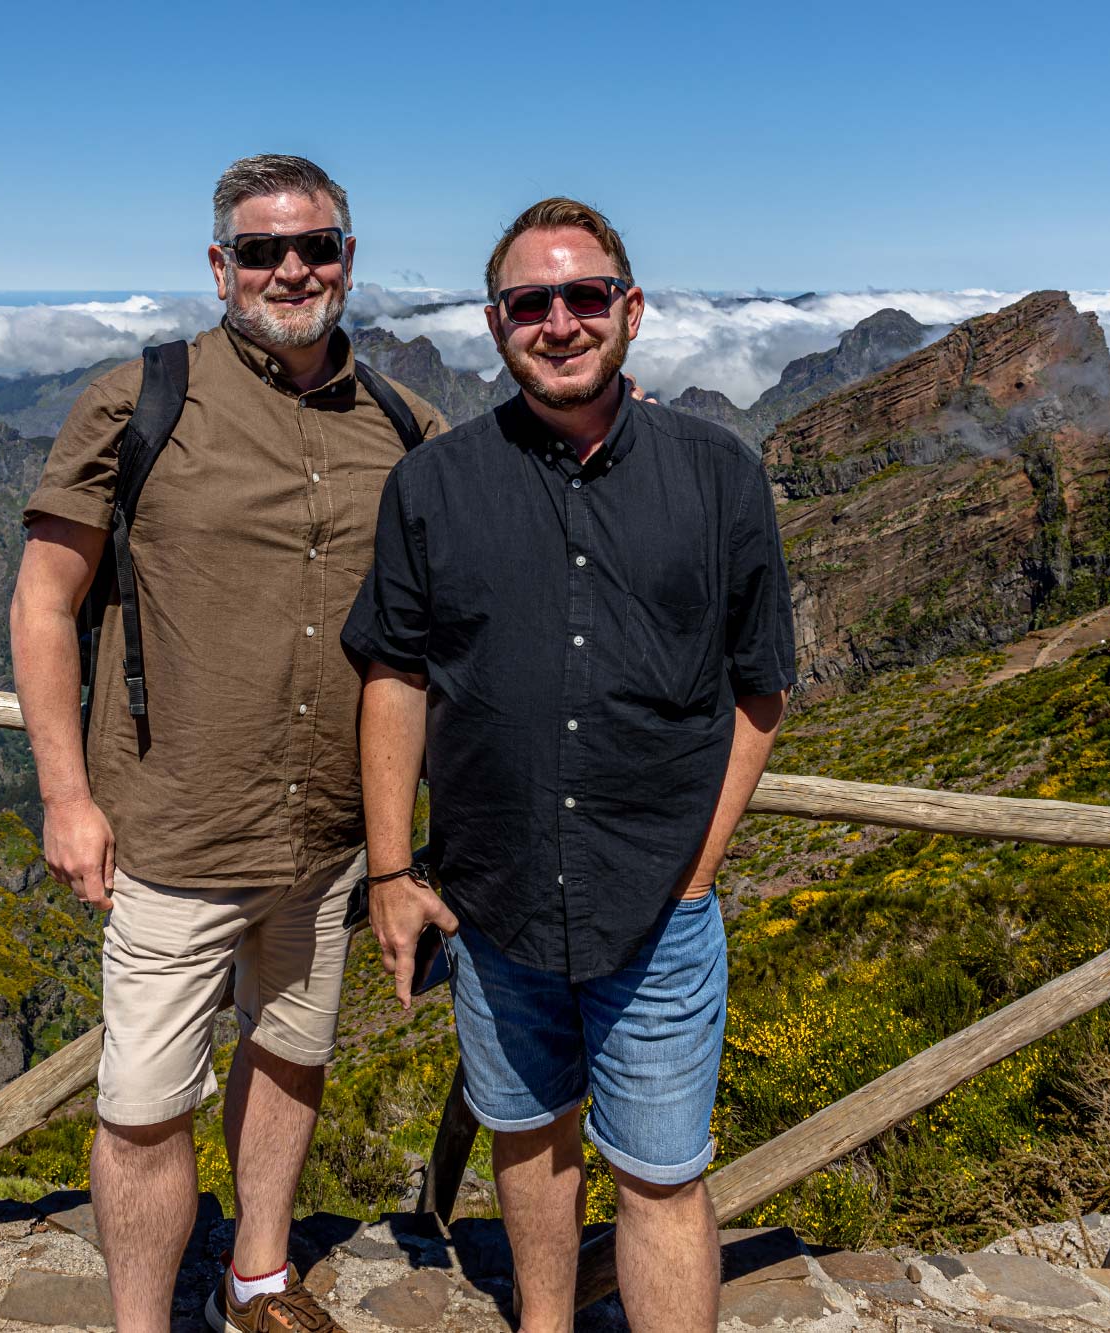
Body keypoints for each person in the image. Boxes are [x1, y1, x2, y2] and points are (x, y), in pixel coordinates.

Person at [342, 197, 795, 1332]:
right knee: (527, 1140)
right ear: (495, 325)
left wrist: (696, 868)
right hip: (492, 902)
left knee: (659, 1174)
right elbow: (393, 676)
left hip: (657, 906)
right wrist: (393, 874)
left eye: (583, 296)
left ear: (628, 310)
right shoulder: (434, 486)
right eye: (528, 303)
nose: (558, 322)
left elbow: (761, 685)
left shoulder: (718, 475)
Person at [10, 153, 443, 1333]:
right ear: (219, 266)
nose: (288, 268)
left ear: (348, 259)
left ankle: (256, 1276)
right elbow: (44, 601)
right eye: (261, 249)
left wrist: (637, 445)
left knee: (292, 1053)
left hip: (327, 835)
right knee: (145, 1104)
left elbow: (510, 506)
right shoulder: (137, 397)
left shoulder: (406, 424)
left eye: (313, 246)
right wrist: (64, 794)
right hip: (174, 824)